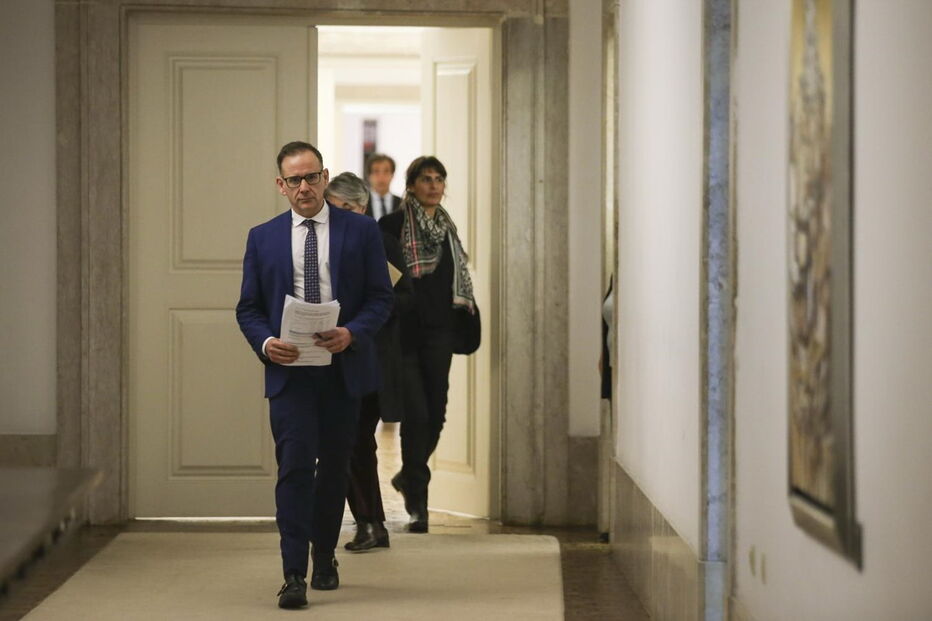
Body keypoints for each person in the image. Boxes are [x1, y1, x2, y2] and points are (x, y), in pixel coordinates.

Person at [235, 142, 394, 610]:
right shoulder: (261, 237)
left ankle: (324, 557)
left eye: (312, 177)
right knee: (295, 469)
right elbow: (248, 308)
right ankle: (292, 573)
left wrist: (353, 332)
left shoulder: (361, 231)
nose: (304, 187)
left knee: (334, 472)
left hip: (342, 369)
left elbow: (381, 299)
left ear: (325, 178)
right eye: (294, 180)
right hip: (289, 373)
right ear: (281, 185)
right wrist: (266, 343)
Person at [379, 156, 476, 533]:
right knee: (416, 415)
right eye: (426, 179)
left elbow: (456, 281)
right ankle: (419, 502)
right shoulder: (391, 225)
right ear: (412, 185)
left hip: (440, 335)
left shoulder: (447, 229)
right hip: (402, 333)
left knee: (436, 413)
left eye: (439, 179)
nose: (434, 185)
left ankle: (408, 476)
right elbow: (384, 278)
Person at [323, 172, 415, 552]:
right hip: (333, 356)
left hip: (371, 358)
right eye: (331, 207)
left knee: (352, 441)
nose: (333, 214)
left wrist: (369, 309)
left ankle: (369, 523)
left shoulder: (382, 242)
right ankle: (370, 523)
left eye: (341, 208)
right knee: (348, 442)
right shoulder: (324, 242)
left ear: (360, 208)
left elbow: (408, 299)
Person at [364, 153, 402, 220]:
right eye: (376, 171)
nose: (381, 177)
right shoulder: (361, 203)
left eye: (386, 171)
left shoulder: (402, 204)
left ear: (392, 175)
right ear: (369, 176)